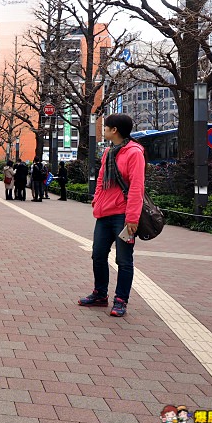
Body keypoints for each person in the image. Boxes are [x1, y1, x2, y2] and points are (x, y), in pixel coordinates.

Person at [77, 113, 146, 318]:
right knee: (98, 254)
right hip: (105, 213)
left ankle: (121, 300)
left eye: (106, 127)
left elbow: (137, 187)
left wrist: (132, 217)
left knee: (124, 260)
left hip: (124, 216)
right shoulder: (108, 152)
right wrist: (97, 199)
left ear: (114, 130)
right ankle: (100, 294)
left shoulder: (134, 153)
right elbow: (100, 179)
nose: (104, 129)